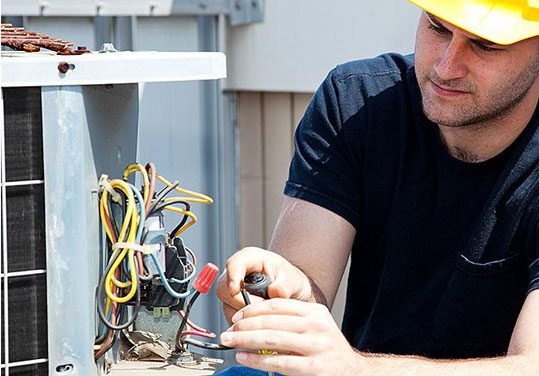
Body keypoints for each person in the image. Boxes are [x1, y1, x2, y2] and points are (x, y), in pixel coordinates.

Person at [217, 0, 539, 374]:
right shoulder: (356, 103)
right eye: (437, 27)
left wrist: (356, 369)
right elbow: (307, 287)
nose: (445, 67)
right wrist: (285, 286)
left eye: (486, 45)